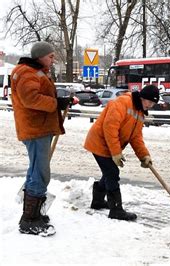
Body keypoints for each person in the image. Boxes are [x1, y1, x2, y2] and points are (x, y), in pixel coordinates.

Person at [11, 41, 71, 236]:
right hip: (35, 129)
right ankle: (29, 220)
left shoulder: (35, 71)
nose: (53, 59)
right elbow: (31, 99)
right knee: (40, 173)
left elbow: (38, 95)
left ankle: (33, 212)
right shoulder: (28, 72)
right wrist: (57, 103)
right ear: (39, 56)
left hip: (38, 128)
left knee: (35, 170)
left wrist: (59, 101)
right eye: (50, 56)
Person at [84, 84, 159, 221]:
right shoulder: (122, 102)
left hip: (110, 145)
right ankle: (116, 209)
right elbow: (110, 127)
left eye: (154, 103)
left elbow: (136, 137)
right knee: (112, 173)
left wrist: (144, 156)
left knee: (108, 173)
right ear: (142, 97)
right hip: (99, 142)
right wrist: (116, 152)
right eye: (149, 101)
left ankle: (98, 200)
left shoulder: (140, 113)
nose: (151, 105)